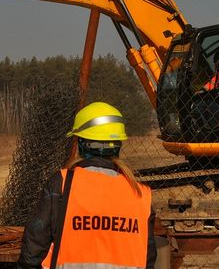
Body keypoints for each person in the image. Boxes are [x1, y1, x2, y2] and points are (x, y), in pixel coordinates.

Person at [17, 102, 157, 269]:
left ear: (81, 143)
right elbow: (148, 257)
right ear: (118, 144)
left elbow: (34, 246)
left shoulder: (62, 183)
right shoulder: (140, 193)